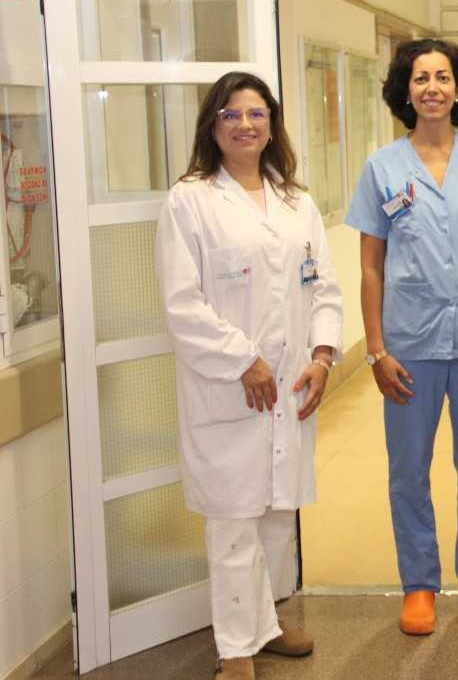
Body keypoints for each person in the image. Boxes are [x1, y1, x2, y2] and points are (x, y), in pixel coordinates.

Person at [155, 71, 343, 680]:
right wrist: (245, 359)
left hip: (288, 386)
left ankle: (267, 623)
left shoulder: (295, 200)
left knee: (274, 513)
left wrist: (321, 356)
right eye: (231, 115)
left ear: (272, 124)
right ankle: (235, 647)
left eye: (256, 114)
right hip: (229, 386)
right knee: (233, 518)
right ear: (213, 125)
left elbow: (324, 287)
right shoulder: (190, 200)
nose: (244, 125)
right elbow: (182, 303)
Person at [345, 38, 458, 636]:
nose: (433, 88)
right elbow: (370, 266)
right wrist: (375, 349)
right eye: (421, 78)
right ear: (405, 90)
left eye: (443, 77)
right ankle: (419, 584)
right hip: (410, 346)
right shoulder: (383, 168)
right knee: (409, 469)